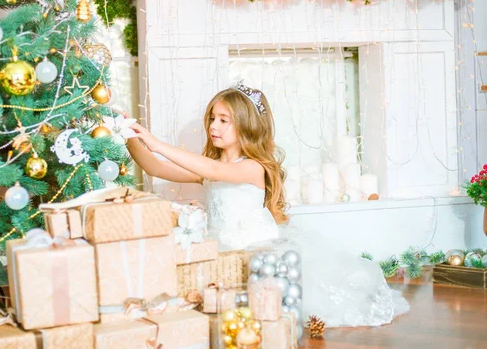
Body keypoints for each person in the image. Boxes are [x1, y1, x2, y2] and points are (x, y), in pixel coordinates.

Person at [126, 83, 409, 327]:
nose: (213, 126)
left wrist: (156, 142)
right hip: (222, 250)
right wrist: (129, 137)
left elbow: (213, 171)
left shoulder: (253, 167)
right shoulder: (211, 167)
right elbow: (154, 168)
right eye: (213, 118)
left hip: (257, 253)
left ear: (246, 126)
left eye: (224, 120)